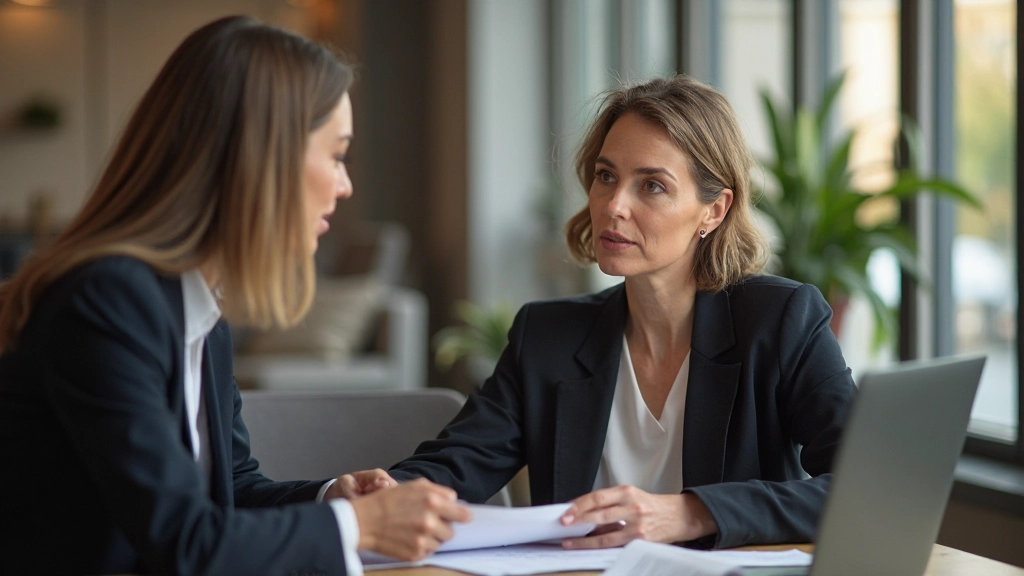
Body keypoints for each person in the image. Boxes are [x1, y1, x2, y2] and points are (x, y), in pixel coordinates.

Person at [0, 16, 468, 576]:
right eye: (337, 154)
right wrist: (361, 528)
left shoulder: (199, 312)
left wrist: (330, 500)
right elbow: (187, 542)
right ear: (264, 159)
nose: (345, 185)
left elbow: (229, 489)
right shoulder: (106, 301)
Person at [342, 75, 856, 550]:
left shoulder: (780, 320)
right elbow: (460, 463)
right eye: (606, 176)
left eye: (651, 185)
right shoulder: (548, 337)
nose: (613, 205)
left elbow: (860, 486)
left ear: (714, 210)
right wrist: (394, 490)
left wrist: (693, 513)